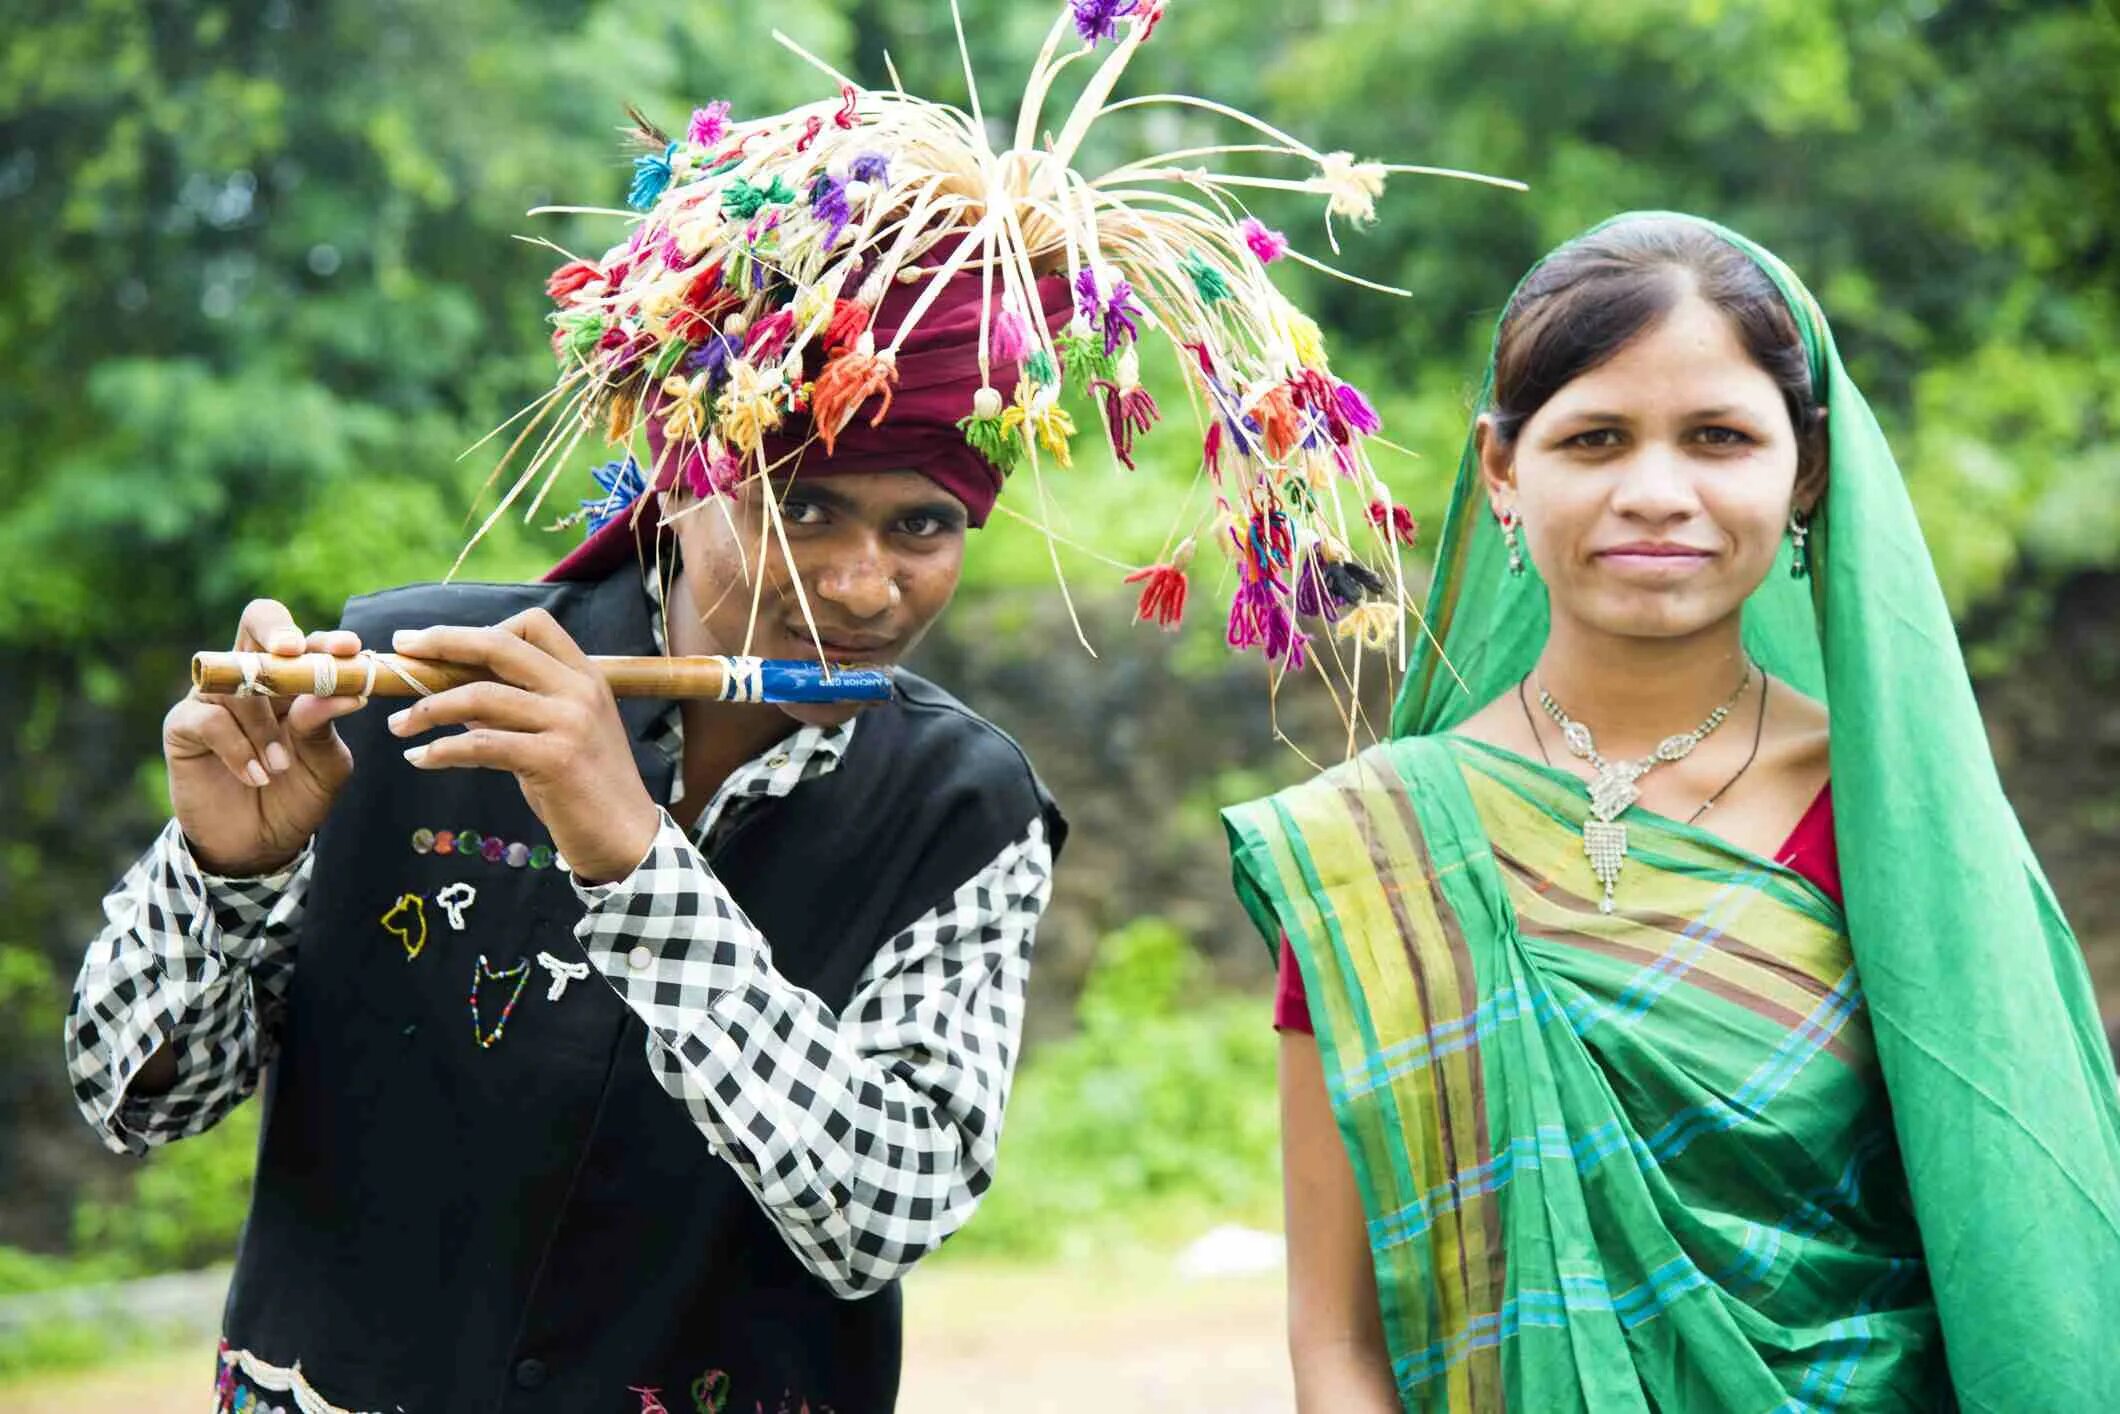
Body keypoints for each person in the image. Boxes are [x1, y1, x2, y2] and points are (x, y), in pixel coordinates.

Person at [64, 4, 1445, 1408]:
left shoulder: (969, 813)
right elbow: (135, 1096)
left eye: (920, 525)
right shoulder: (410, 675)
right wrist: (224, 873)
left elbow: (880, 1211)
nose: (859, 583)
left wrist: (637, 862)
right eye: (803, 505)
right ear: (684, 476)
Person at [1224, 213, 2120, 1411]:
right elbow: (1335, 1343)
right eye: (1593, 438)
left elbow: (2027, 1251)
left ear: (1801, 470)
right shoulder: (1380, 858)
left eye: (1717, 438)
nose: (1656, 493)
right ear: (1501, 469)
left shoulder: (1898, 820)